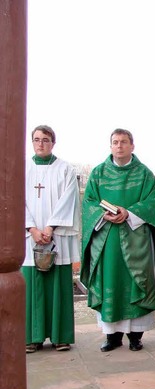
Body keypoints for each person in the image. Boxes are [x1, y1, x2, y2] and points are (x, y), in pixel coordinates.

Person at [80, 129, 155, 352]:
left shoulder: (144, 174)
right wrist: (101, 214)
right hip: (107, 241)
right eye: (115, 142)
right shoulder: (98, 173)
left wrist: (129, 213)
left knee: (137, 283)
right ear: (110, 146)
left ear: (132, 146)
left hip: (136, 239)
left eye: (124, 142)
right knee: (110, 283)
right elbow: (88, 203)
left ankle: (136, 336)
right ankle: (112, 337)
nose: (119, 146)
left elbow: (153, 202)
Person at [23, 125, 81, 353]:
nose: (40, 143)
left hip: (57, 235)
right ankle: (32, 337)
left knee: (58, 285)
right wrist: (32, 229)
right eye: (36, 139)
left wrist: (49, 227)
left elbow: (69, 199)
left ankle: (60, 336)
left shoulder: (65, 169)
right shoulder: (23, 168)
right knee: (31, 287)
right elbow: (16, 200)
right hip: (30, 237)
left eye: (45, 139)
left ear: (53, 143)